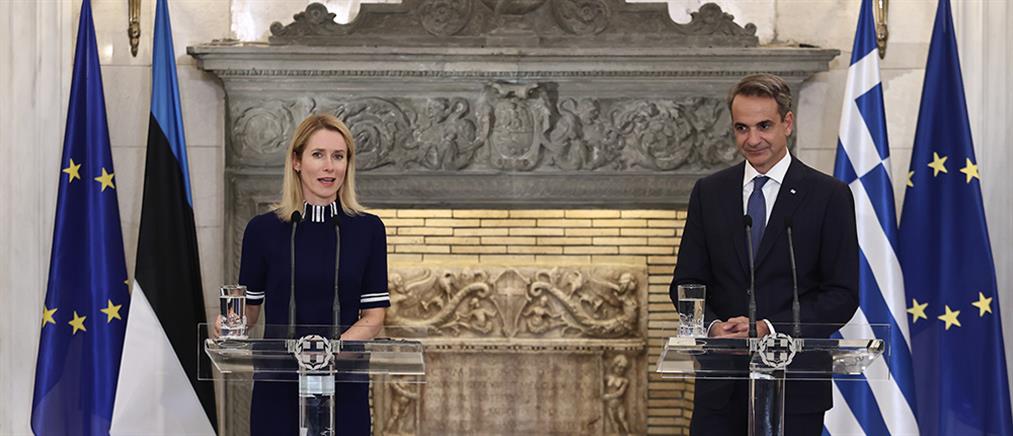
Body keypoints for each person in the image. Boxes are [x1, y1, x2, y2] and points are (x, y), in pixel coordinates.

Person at [669, 73, 859, 435]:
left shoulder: (828, 196)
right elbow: (686, 283)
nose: (752, 139)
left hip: (795, 389)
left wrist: (767, 328)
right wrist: (714, 327)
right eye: (742, 128)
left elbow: (841, 295)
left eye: (764, 126)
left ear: (787, 123)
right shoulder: (709, 192)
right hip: (720, 389)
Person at [235, 113, 390, 436]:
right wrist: (230, 324)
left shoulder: (368, 230)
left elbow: (374, 317)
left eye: (338, 156)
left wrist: (327, 352)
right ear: (296, 161)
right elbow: (249, 311)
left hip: (343, 383)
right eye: (318, 155)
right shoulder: (263, 230)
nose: (329, 167)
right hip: (278, 385)